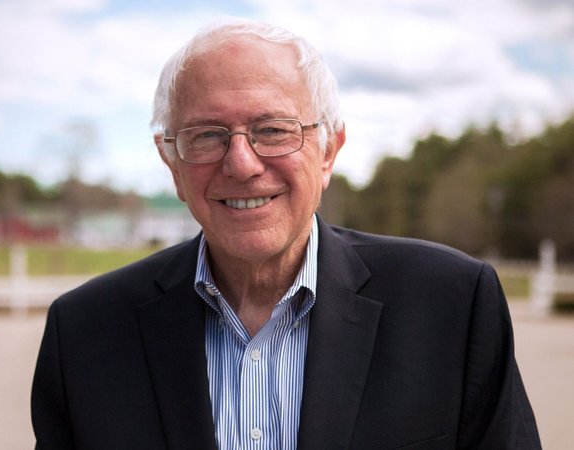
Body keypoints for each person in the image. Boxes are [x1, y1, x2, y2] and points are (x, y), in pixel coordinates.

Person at [31, 18, 541, 450]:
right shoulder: (83, 334)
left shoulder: (453, 307)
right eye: (206, 135)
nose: (241, 163)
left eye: (272, 129)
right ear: (172, 165)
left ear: (328, 151)